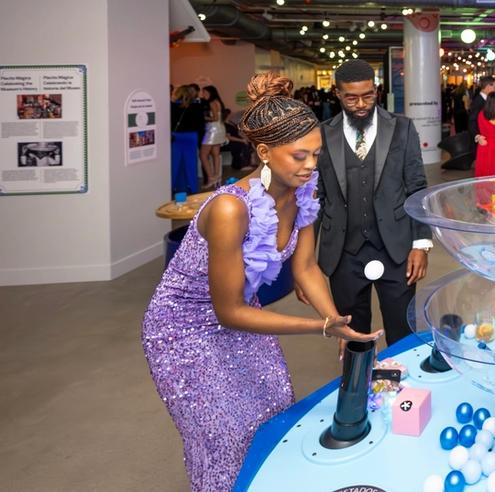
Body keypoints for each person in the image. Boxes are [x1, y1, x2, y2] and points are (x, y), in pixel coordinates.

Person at [143, 73, 382, 491]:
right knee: (224, 435)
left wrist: (336, 320)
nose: (311, 166)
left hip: (241, 314)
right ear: (264, 151)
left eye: (316, 155)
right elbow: (228, 311)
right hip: (183, 331)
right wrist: (319, 327)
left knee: (272, 412)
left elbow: (306, 269)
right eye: (299, 156)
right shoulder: (230, 210)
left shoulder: (303, 194)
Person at [311, 59, 432, 347]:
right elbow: (316, 199)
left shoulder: (402, 128)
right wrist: (305, 262)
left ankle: (406, 390)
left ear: (376, 90)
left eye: (368, 95)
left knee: (403, 332)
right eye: (351, 98)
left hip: (396, 248)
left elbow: (417, 187)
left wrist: (420, 244)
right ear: (337, 94)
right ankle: (358, 389)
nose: (361, 104)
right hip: (343, 253)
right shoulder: (323, 134)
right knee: (352, 336)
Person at [170, 85, 205, 194]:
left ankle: (174, 188)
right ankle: (192, 188)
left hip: (176, 137)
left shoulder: (172, 106)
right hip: (191, 137)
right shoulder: (197, 106)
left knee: (175, 164)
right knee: (190, 164)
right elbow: (201, 125)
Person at [199, 85, 228, 189]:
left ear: (211, 93)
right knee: (216, 154)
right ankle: (217, 177)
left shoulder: (212, 102)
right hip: (219, 128)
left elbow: (215, 118)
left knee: (203, 155)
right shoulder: (218, 101)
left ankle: (211, 178)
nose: (203, 95)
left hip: (213, 130)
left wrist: (204, 118)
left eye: (205, 93)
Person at [469, 76, 495, 154]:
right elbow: (472, 121)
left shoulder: (488, 99)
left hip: (489, 138)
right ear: (488, 87)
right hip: (482, 139)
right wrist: (477, 136)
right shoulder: (478, 101)